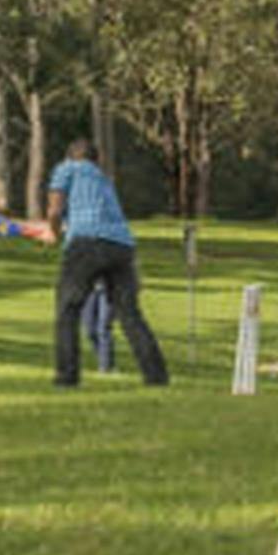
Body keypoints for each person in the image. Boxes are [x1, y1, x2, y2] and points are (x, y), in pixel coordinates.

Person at [45, 139, 167, 388]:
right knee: (129, 314)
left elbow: (55, 211)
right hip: (122, 246)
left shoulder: (66, 168)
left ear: (71, 156)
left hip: (86, 244)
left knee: (67, 310)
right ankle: (156, 377)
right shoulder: (103, 179)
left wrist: (54, 233)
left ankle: (66, 377)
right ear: (96, 159)